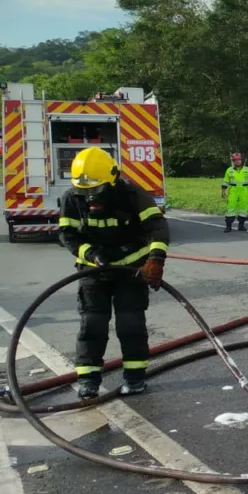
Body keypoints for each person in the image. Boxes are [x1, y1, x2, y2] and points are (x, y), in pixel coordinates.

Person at [57, 147, 169, 399]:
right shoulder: (72, 198)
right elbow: (67, 234)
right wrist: (91, 254)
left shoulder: (132, 195)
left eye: (95, 191)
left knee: (130, 324)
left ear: (113, 178)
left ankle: (135, 377)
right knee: (92, 325)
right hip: (93, 272)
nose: (90, 199)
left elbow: (158, 227)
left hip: (130, 272)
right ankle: (88, 379)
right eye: (83, 192)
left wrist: (156, 259)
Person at [221, 152, 248, 232]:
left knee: (243, 209)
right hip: (233, 191)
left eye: (239, 160)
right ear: (233, 161)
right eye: (235, 160)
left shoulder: (247, 170)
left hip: (244, 191)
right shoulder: (229, 170)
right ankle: (228, 226)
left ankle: (241, 226)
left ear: (241, 160)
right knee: (231, 208)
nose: (237, 161)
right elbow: (225, 181)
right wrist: (223, 191)